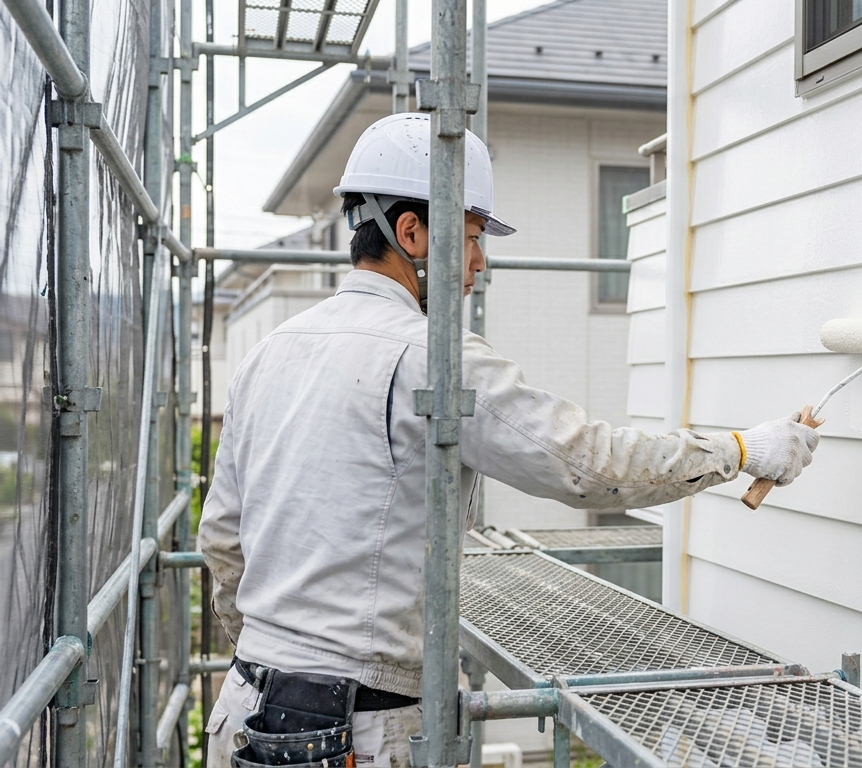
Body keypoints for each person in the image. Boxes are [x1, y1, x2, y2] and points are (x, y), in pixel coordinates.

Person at [197, 114, 819, 767]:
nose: (478, 263)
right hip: (357, 730)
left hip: (245, 712)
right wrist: (743, 451)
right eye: (468, 237)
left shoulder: (268, 353)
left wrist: (276, 662)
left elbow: (221, 541)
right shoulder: (432, 358)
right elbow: (585, 464)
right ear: (409, 232)